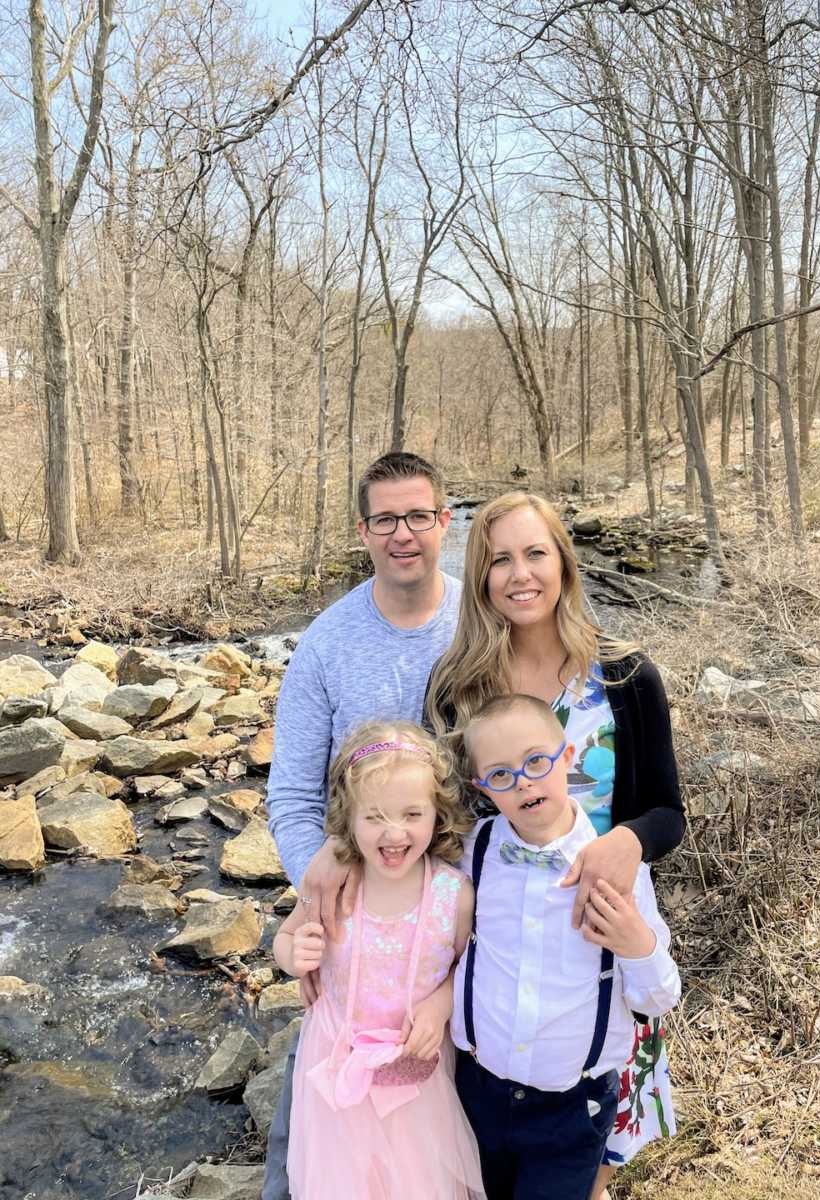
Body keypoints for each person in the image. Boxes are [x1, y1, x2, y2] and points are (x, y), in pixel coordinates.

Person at [424, 491, 685, 1193]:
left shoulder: (625, 674)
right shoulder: (459, 686)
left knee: (591, 1157)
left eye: (535, 552)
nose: (520, 574)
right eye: (499, 560)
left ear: (564, 562)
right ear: (480, 579)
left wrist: (628, 842)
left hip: (602, 928)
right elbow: (442, 819)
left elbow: (666, 809)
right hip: (506, 952)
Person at [264, 451, 461, 1200]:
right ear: (364, 530)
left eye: (419, 516)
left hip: (457, 923)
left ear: (445, 522)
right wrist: (320, 889)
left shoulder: (483, 626)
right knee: (313, 1143)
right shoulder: (326, 642)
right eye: (386, 519)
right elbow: (289, 792)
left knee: (441, 1140)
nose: (402, 533)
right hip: (358, 929)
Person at [451, 694, 681, 1200]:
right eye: (501, 774)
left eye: (537, 761)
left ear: (569, 756)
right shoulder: (474, 851)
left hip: (573, 1107)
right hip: (476, 1090)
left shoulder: (619, 869)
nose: (524, 782)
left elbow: (657, 999)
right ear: (482, 787)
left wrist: (634, 944)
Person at [274, 721, 484, 1200]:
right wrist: (294, 955)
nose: (394, 833)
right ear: (348, 819)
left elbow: (467, 968)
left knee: (417, 1183)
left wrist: (443, 1003)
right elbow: (285, 941)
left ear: (438, 813)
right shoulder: (333, 888)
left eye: (412, 813)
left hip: (416, 1080)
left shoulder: (453, 895)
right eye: (374, 818)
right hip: (335, 1072)